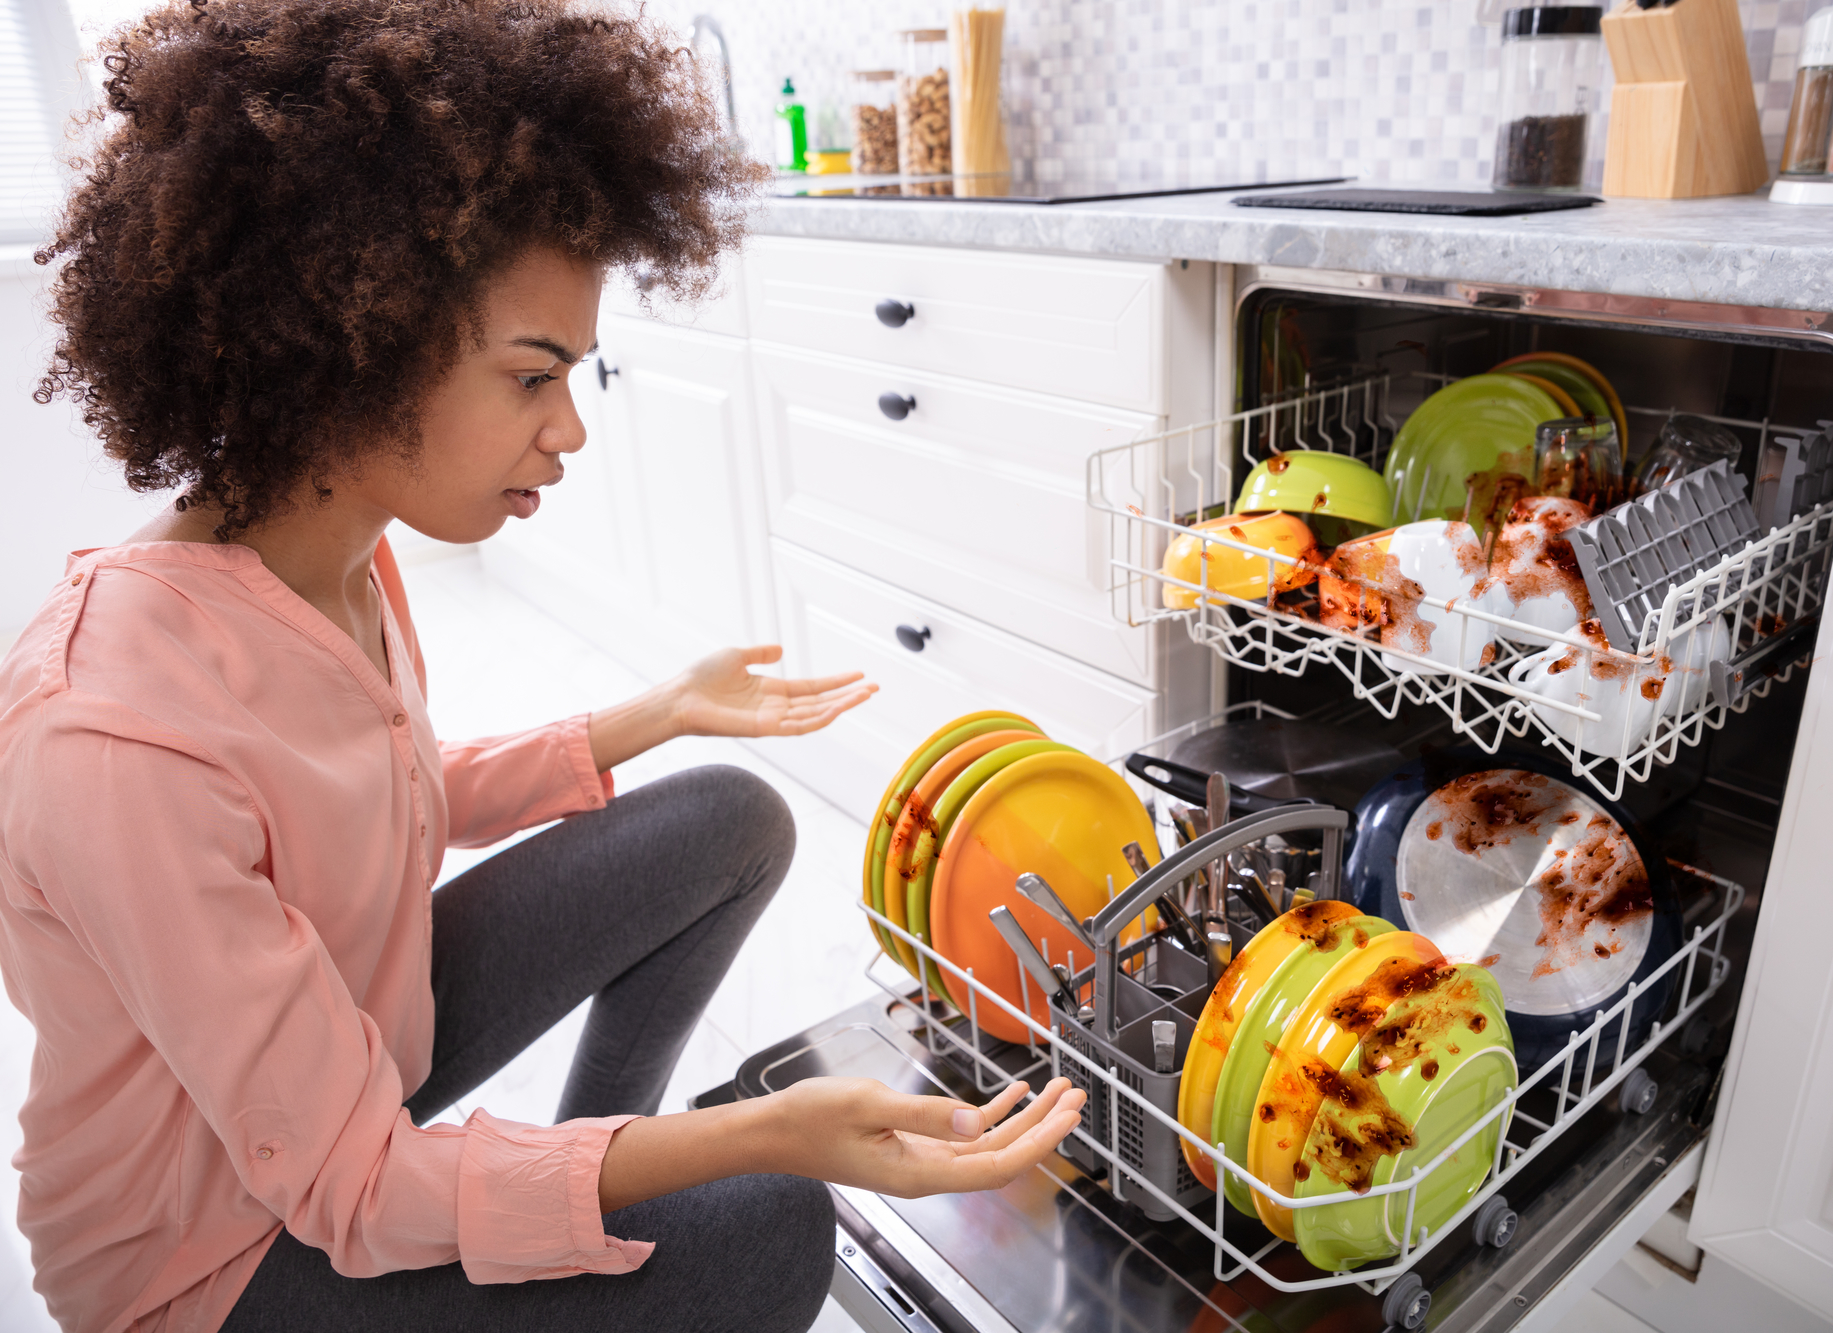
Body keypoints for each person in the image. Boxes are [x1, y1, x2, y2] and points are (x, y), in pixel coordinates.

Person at [3, 2, 1086, 1330]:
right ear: (352, 345)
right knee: (770, 1231)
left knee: (728, 818)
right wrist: (764, 1134)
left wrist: (660, 712)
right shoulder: (115, 740)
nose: (570, 427)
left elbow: (380, 801)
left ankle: (580, 1193)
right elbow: (360, 1187)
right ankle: (591, 1204)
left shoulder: (336, 556)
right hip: (214, 1257)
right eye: (532, 376)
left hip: (345, 1052)